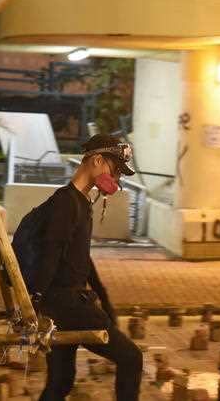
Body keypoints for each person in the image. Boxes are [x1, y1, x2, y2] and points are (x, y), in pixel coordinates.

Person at [33, 134, 142, 400]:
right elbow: (51, 252)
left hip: (63, 303)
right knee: (131, 358)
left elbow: (80, 259)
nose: (116, 179)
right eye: (115, 170)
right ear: (97, 161)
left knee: (61, 382)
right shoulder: (66, 203)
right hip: (68, 305)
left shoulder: (80, 201)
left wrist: (104, 297)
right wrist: (34, 301)